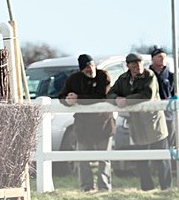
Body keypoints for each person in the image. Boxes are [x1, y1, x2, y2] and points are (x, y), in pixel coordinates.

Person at [108, 53, 170, 191]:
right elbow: (110, 93)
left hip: (153, 121)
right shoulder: (123, 79)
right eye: (134, 64)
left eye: (140, 63)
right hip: (137, 123)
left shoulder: (149, 76)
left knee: (161, 157)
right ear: (128, 66)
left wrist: (127, 100)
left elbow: (147, 94)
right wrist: (116, 99)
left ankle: (166, 187)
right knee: (142, 159)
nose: (138, 66)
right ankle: (147, 188)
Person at [58, 54, 115, 192]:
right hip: (83, 126)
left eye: (92, 65)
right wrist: (68, 100)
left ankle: (104, 187)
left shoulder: (103, 76)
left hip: (103, 124)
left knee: (104, 159)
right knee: (82, 158)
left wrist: (79, 98)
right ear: (81, 69)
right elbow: (62, 96)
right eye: (87, 68)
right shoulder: (74, 79)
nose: (90, 69)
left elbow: (102, 96)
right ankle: (86, 187)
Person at [149, 46, 177, 147]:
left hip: (168, 114)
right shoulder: (147, 75)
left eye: (164, 57)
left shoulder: (171, 76)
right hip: (152, 114)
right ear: (152, 59)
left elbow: (177, 94)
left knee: (171, 141)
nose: (162, 59)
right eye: (159, 56)